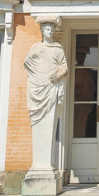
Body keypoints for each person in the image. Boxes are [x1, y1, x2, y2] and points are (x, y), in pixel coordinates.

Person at [24, 18, 68, 171]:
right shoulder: (36, 48)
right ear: (42, 31)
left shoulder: (58, 48)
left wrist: (59, 75)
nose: (50, 32)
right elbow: (27, 63)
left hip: (51, 88)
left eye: (51, 29)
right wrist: (38, 77)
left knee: (50, 122)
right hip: (38, 87)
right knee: (39, 125)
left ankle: (46, 165)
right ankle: (40, 165)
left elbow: (64, 67)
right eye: (47, 29)